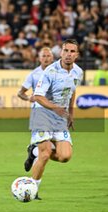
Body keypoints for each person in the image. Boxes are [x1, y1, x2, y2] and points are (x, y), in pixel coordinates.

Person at [29, 39, 83, 198]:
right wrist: (56, 108)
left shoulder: (78, 72)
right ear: (61, 52)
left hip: (60, 116)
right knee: (45, 154)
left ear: (77, 55)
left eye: (72, 52)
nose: (68, 54)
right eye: (66, 51)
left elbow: (72, 91)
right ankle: (32, 189)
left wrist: (71, 113)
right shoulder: (50, 72)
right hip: (43, 114)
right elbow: (38, 96)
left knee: (65, 156)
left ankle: (34, 151)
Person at [17, 47, 54, 172]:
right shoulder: (34, 75)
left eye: (48, 56)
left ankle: (33, 151)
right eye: (43, 56)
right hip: (39, 112)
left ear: (52, 58)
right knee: (44, 146)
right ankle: (33, 181)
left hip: (55, 113)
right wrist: (29, 98)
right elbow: (20, 93)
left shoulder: (59, 73)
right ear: (39, 58)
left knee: (54, 146)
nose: (46, 58)